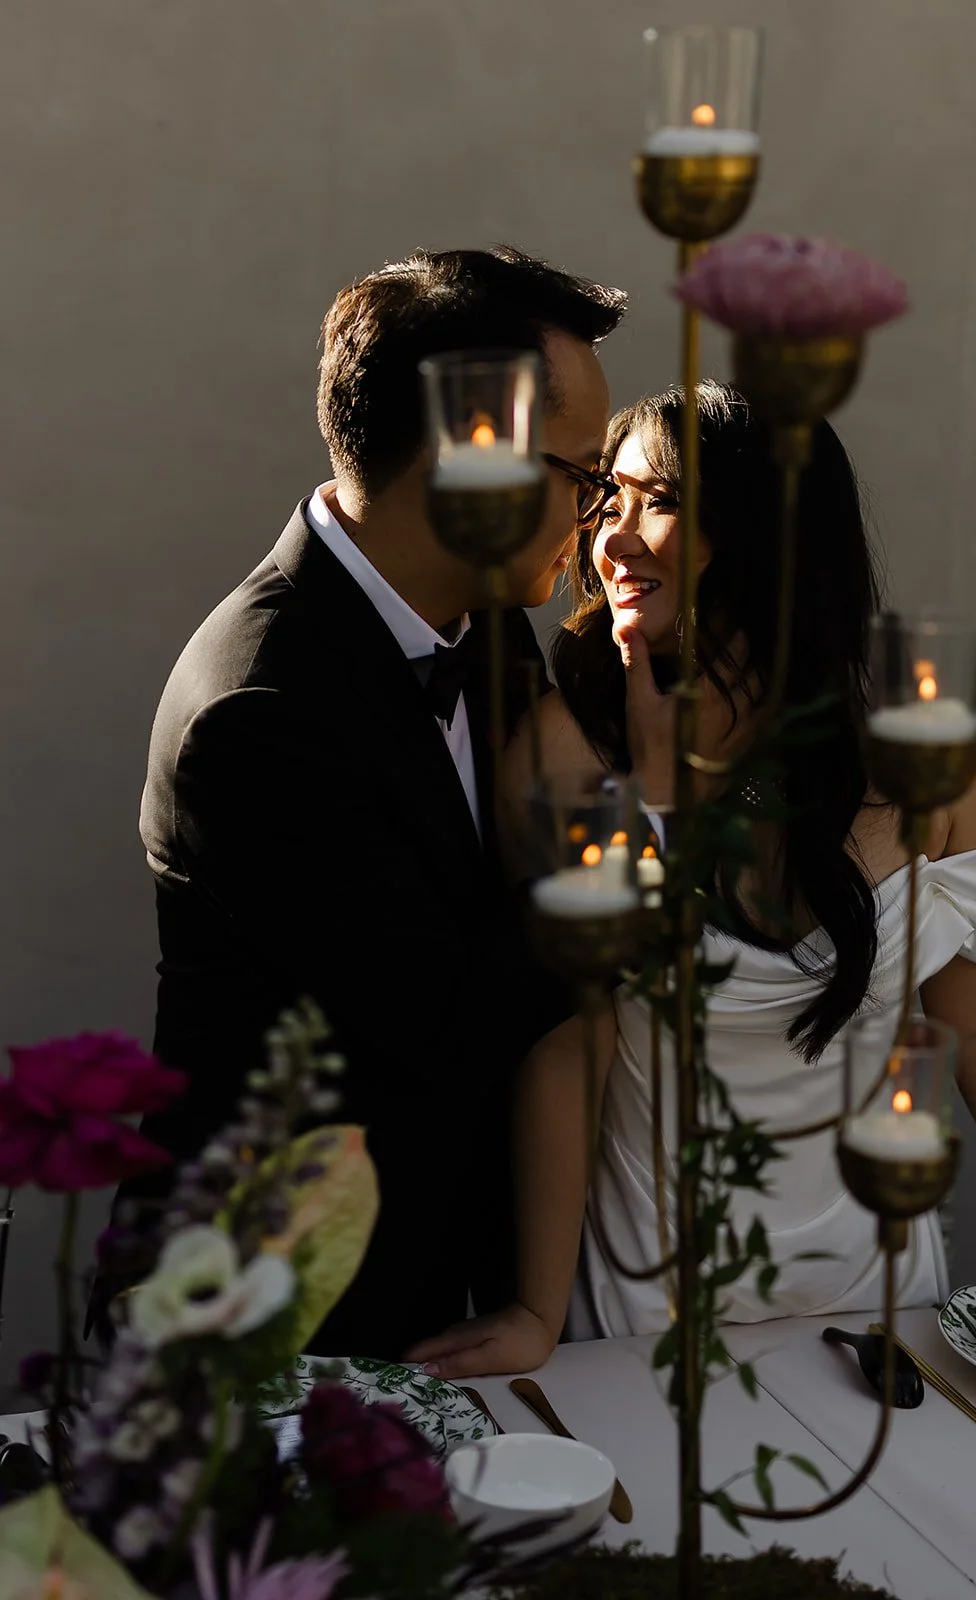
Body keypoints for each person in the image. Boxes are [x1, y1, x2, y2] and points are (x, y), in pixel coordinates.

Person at [410, 380, 976, 1378]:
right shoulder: (567, 758)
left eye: (659, 502)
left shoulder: (926, 758)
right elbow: (561, 1041)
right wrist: (535, 1311)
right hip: (644, 1304)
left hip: (876, 1303)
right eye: (606, 503)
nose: (614, 540)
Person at [116, 246, 625, 1359]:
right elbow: (442, 1025)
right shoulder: (258, 711)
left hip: (460, 1296)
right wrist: (634, 859)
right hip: (289, 1323)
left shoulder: (488, 620)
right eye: (583, 479)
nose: (592, 521)